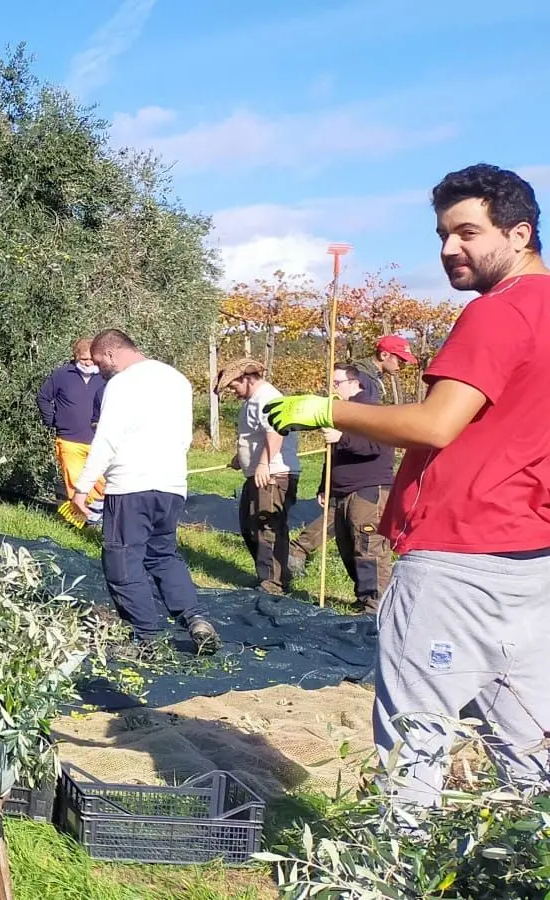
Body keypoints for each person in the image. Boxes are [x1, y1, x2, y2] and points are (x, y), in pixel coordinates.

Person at [266, 164, 550, 807]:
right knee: (526, 742)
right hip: (531, 557)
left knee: (413, 738)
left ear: (521, 234)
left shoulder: (497, 313)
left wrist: (326, 409)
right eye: (443, 235)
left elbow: (434, 424)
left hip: (457, 556)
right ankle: (518, 867)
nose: (450, 249)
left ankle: (397, 870)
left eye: (468, 233)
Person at [72, 330, 220, 652]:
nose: (99, 370)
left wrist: (82, 488)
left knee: (122, 560)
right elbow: (185, 437)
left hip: (130, 486)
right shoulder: (177, 380)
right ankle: (196, 618)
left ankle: (147, 638)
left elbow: (107, 438)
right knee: (163, 554)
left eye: (99, 362)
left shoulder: (122, 384)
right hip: (171, 485)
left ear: (111, 354)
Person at [290, 364, 395, 613]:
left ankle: (376, 604)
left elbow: (378, 446)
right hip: (341, 490)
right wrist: (325, 484)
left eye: (337, 383)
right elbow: (332, 455)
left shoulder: (372, 411)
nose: (333, 389)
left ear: (355, 383)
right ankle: (363, 596)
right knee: (348, 547)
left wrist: (342, 438)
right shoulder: (341, 412)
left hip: (368, 489)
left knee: (368, 547)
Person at [218, 359, 301, 595]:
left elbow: (275, 431)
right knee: (249, 525)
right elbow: (254, 435)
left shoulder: (266, 397)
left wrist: (264, 463)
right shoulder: (252, 400)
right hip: (259, 472)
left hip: (273, 473)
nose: (234, 392)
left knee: (268, 527)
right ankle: (271, 575)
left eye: (234, 386)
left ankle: (272, 584)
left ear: (246, 378)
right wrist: (240, 457)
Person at [37, 338, 107, 527]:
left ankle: (98, 518)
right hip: (69, 439)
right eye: (85, 359)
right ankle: (84, 525)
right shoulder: (61, 375)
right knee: (76, 484)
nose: (89, 363)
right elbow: (43, 397)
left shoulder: (104, 377)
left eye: (92, 359)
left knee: (102, 485)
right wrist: (52, 420)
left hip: (98, 441)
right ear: (76, 356)